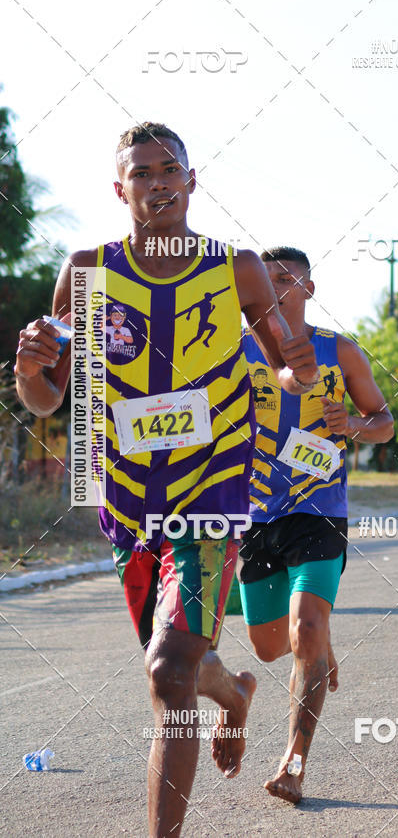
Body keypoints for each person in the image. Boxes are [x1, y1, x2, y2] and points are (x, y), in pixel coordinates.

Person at [14, 124, 320, 838]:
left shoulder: (236, 267)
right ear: (119, 188)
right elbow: (50, 399)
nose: (157, 182)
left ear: (191, 179)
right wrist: (30, 371)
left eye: (168, 169)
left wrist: (301, 368)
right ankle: (236, 694)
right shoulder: (88, 269)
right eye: (141, 173)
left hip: (212, 492)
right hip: (126, 502)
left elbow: (288, 370)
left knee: (167, 673)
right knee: (184, 667)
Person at [238, 246, 394, 804]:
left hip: (320, 509)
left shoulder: (339, 351)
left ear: (310, 287)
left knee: (305, 629)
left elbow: (384, 424)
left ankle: (294, 764)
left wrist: (351, 423)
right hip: (254, 513)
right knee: (268, 646)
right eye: (268, 279)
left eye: (289, 279)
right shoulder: (232, 352)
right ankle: (319, 647)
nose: (278, 287)